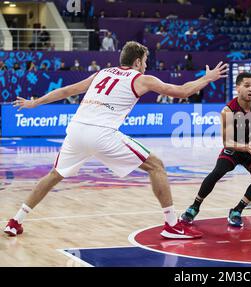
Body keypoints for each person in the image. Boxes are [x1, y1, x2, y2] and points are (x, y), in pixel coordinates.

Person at [4, 41, 228, 239]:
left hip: (76, 130)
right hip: (102, 133)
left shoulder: (101, 73)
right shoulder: (141, 78)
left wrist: (34, 103)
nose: (146, 66)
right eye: (146, 61)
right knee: (156, 166)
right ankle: (171, 225)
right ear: (138, 61)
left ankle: (16, 221)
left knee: (54, 175)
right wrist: (206, 79)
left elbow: (67, 90)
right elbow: (181, 91)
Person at [180, 72, 251, 227]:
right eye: (246, 86)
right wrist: (246, 147)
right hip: (237, 148)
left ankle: (237, 210)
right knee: (218, 171)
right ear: (237, 88)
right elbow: (227, 142)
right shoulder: (228, 110)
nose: (250, 89)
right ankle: (194, 206)